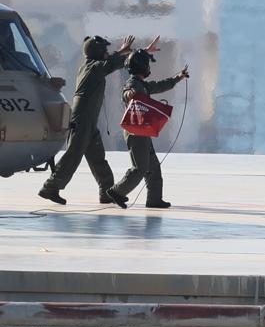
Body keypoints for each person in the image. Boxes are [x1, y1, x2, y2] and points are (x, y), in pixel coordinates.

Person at [40, 35, 137, 207]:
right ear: (97, 52)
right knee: (73, 156)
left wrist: (122, 51)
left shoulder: (90, 66)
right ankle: (50, 187)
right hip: (83, 120)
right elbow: (112, 63)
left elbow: (109, 61)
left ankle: (107, 192)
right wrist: (136, 55)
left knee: (97, 157)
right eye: (104, 50)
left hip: (89, 121)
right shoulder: (93, 68)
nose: (107, 52)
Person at [107, 50, 189, 209]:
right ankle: (117, 192)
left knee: (153, 167)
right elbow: (127, 93)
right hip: (135, 132)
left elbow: (160, 85)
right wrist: (129, 94)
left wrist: (178, 77)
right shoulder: (133, 83)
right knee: (140, 168)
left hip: (142, 131)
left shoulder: (142, 85)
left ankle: (154, 199)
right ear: (142, 66)